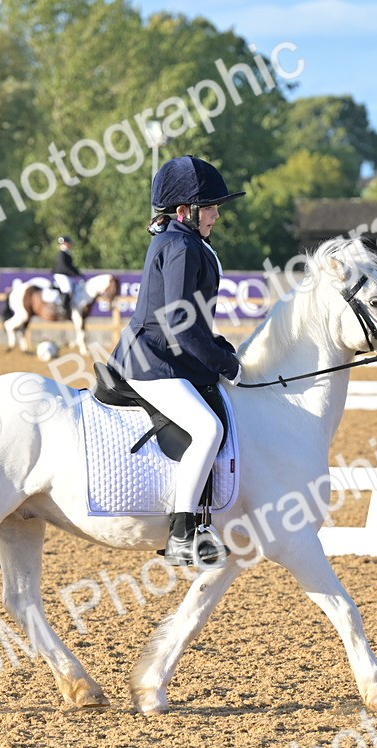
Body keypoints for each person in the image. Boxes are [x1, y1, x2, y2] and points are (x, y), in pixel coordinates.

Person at [109, 155, 244, 567]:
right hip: (154, 361)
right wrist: (225, 363)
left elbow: (191, 322)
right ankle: (184, 532)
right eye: (210, 207)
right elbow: (179, 327)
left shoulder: (180, 239)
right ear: (184, 211)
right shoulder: (182, 246)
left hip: (163, 353)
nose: (216, 215)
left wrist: (217, 346)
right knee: (207, 428)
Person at [51, 236, 81, 319]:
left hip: (66, 275)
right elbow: (64, 267)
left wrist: (78, 273)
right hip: (61, 275)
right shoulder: (61, 254)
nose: (70, 245)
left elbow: (71, 266)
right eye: (69, 243)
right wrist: (72, 272)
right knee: (67, 289)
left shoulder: (67, 254)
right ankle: (62, 308)